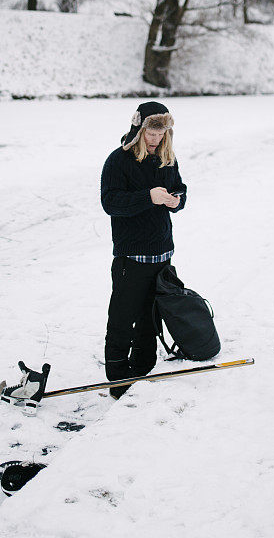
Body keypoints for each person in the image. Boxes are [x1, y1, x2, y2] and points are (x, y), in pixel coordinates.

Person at [100, 101, 187, 398]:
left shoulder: (167, 159)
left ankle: (143, 366)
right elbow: (110, 203)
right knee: (123, 318)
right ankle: (117, 378)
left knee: (151, 317)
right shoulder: (118, 160)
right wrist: (147, 197)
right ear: (139, 128)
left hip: (162, 253)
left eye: (161, 132)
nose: (155, 138)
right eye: (151, 131)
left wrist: (178, 200)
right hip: (131, 257)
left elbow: (180, 188)